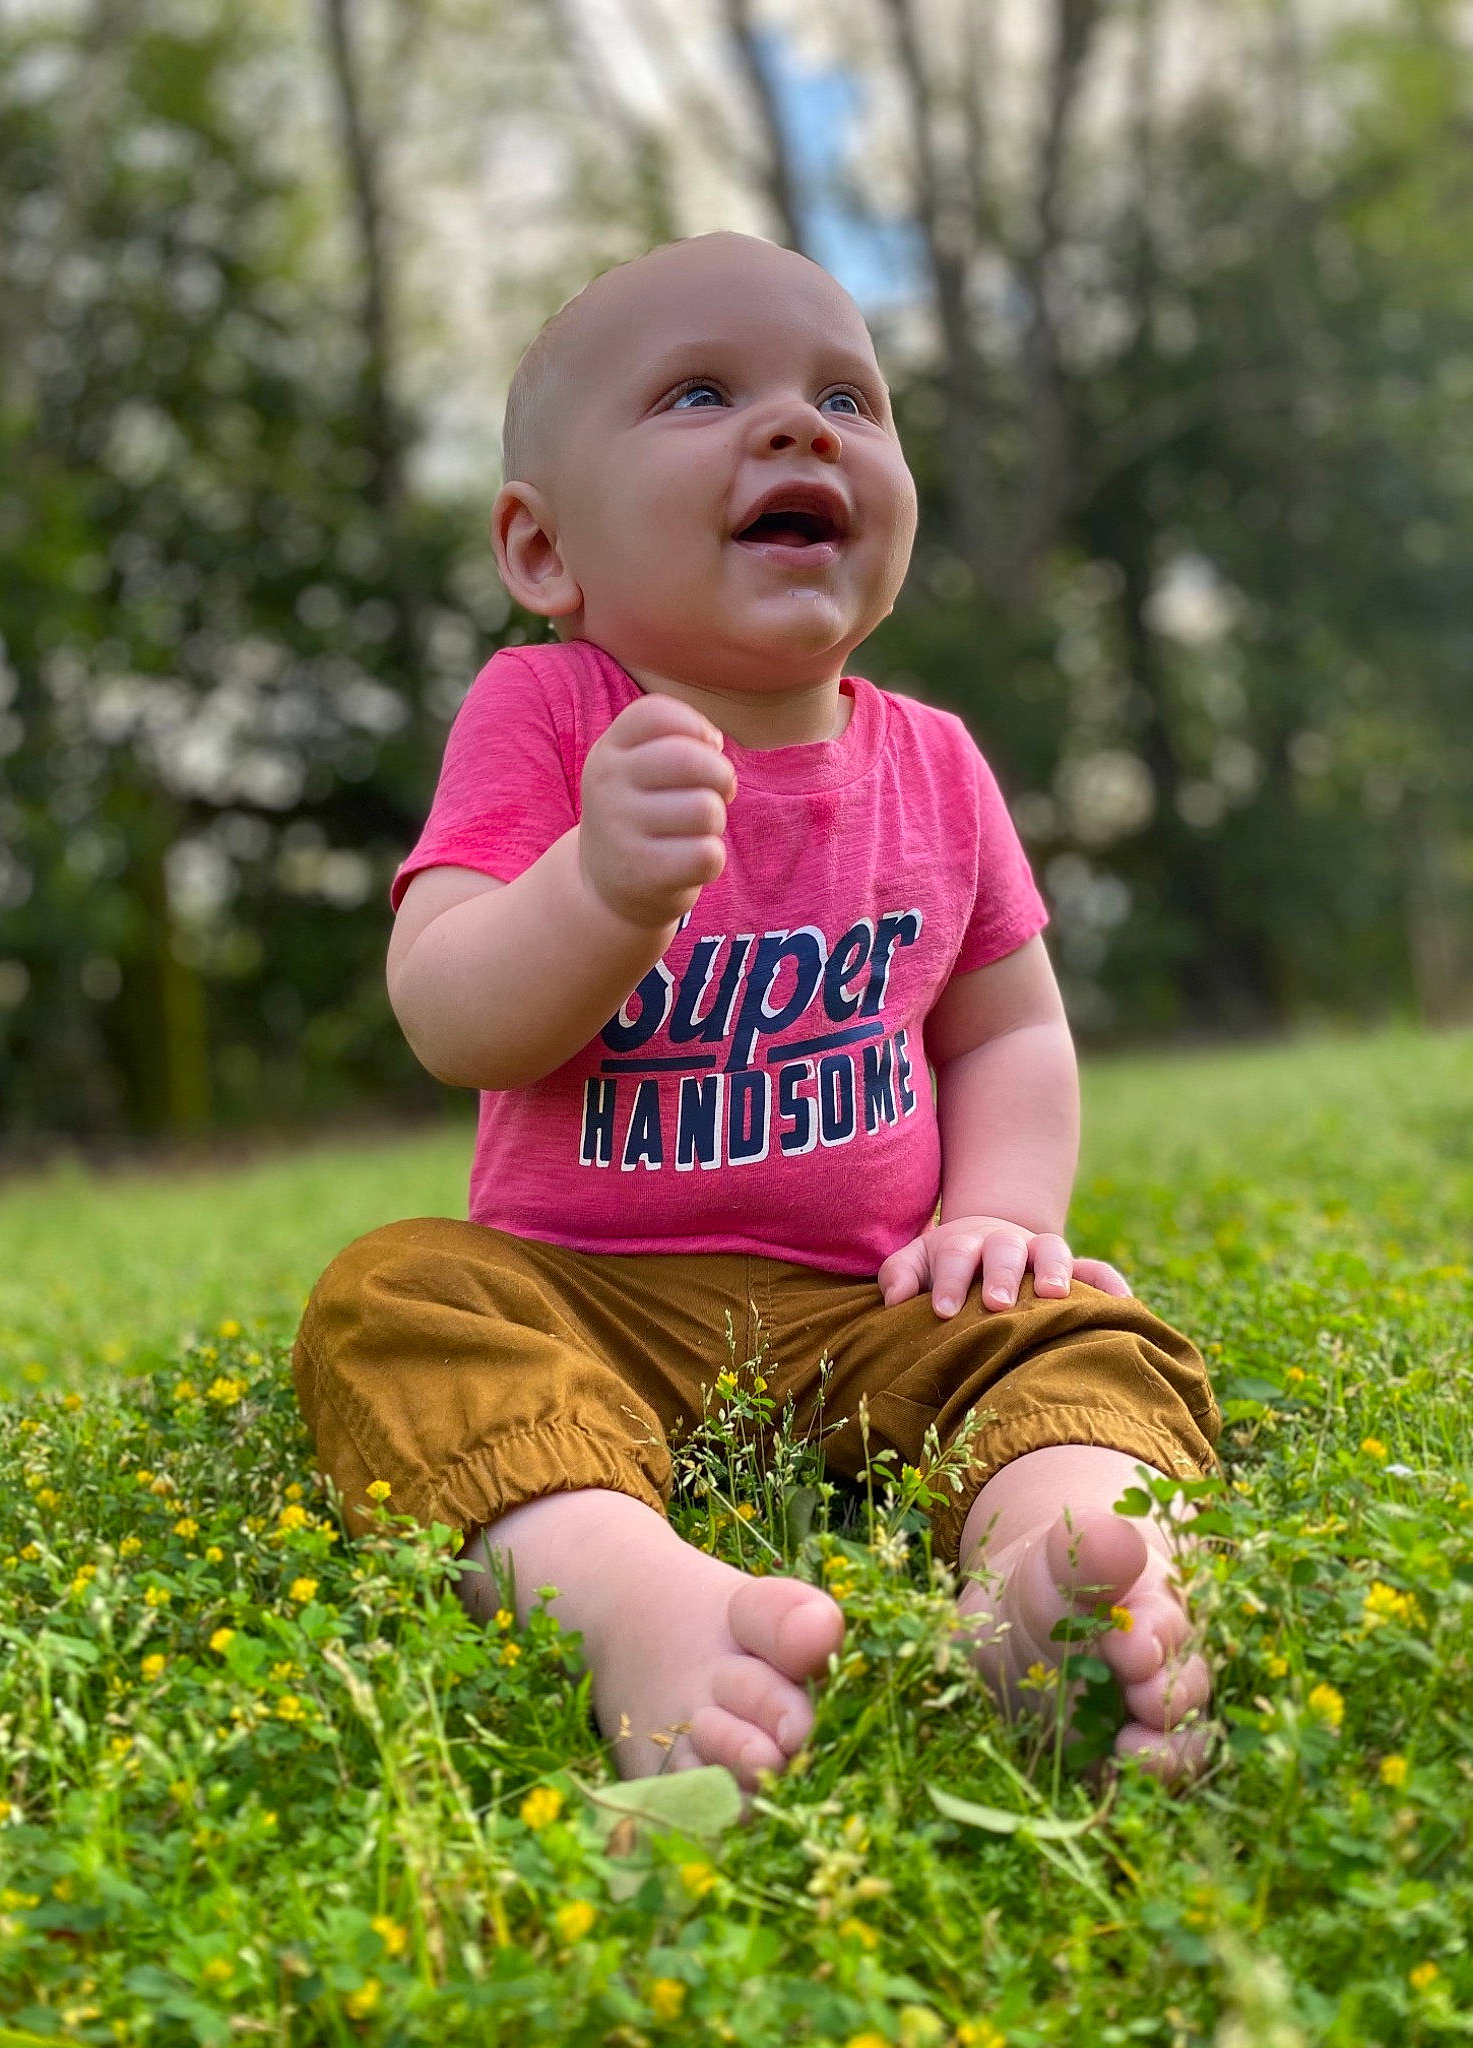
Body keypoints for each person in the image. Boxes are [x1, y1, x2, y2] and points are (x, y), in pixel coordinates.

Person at [293, 231, 1221, 1789]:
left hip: (878, 1298)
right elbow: (449, 1011)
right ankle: (630, 1596)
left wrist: (999, 1210)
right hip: (590, 1302)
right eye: (701, 393)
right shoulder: (548, 712)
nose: (800, 428)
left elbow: (1007, 1028)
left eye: (849, 397)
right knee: (396, 1302)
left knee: (1088, 1326)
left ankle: (1056, 1566)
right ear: (542, 551)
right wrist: (596, 887)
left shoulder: (933, 760)